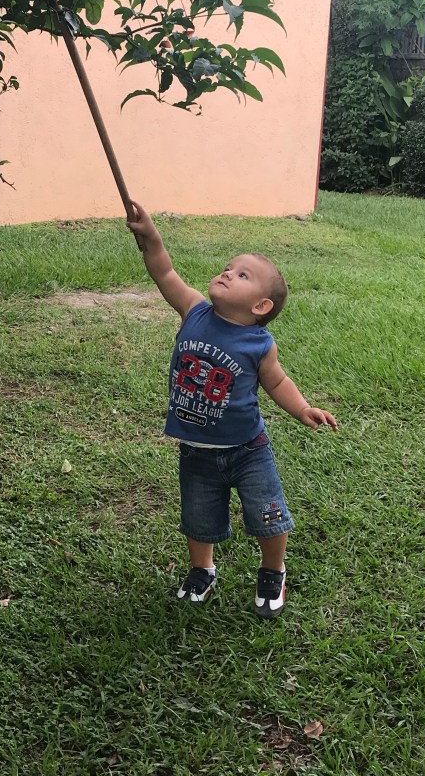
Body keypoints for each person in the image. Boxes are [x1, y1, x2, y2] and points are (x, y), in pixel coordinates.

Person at [127, 202, 337, 618]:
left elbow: (277, 382)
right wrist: (151, 237)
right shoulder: (194, 311)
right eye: (228, 267)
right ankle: (202, 569)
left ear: (260, 306)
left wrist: (302, 409)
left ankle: (273, 570)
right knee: (198, 519)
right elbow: (165, 273)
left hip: (248, 449)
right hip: (196, 450)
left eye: (242, 275)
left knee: (268, 515)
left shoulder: (259, 344)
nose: (227, 273)